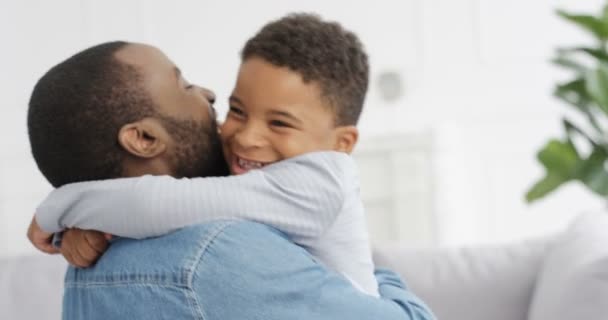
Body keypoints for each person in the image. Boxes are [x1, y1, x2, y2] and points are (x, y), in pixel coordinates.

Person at [26, 22, 434, 320]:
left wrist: (64, 211)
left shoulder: (88, 272)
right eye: (237, 110)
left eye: (280, 123)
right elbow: (157, 204)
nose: (210, 95)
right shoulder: (220, 249)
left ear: (342, 144)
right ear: (145, 140)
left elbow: (158, 204)